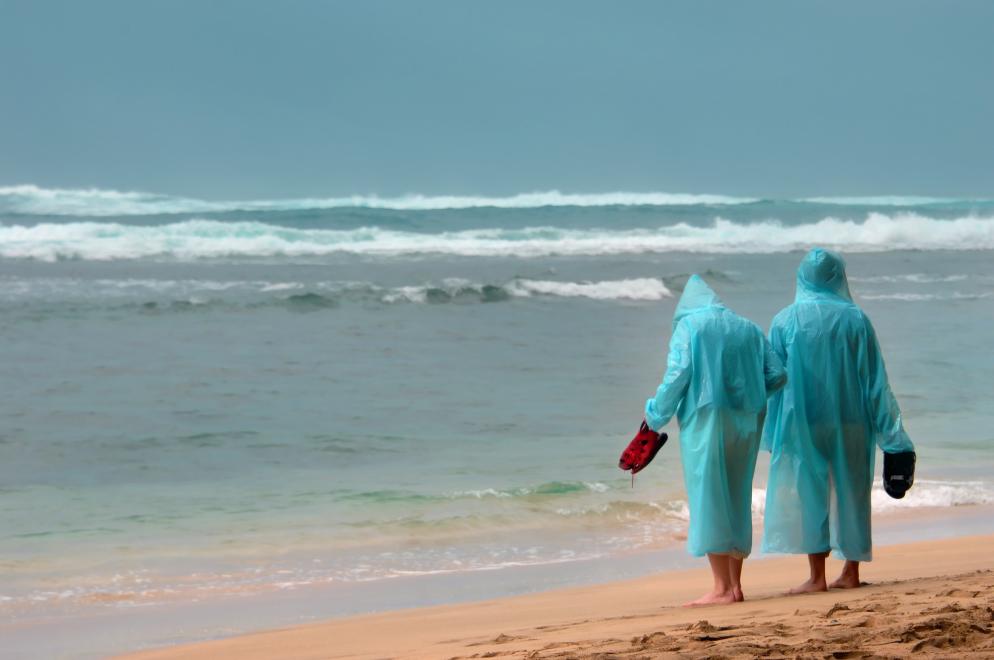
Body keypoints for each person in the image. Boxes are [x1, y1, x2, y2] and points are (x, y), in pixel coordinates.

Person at [762, 248, 915, 593]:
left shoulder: (784, 321)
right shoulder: (856, 319)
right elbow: (875, 382)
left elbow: (774, 382)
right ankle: (850, 571)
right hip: (852, 419)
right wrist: (893, 436)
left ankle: (816, 577)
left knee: (810, 491)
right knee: (852, 490)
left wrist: (772, 435)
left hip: (803, 420)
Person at [644, 274, 786, 606]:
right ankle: (735, 586)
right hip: (746, 422)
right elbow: (778, 374)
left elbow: (677, 375)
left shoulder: (690, 328)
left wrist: (654, 415)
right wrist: (748, 394)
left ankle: (721, 588)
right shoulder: (748, 328)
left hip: (706, 421)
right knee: (737, 495)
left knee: (709, 497)